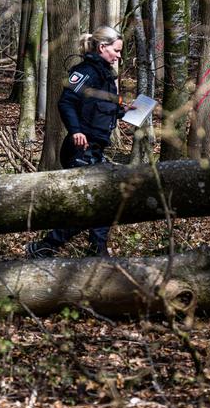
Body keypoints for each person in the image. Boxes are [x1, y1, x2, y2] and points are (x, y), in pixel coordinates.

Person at [26, 26, 131, 258]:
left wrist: (123, 109)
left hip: (95, 149)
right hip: (79, 149)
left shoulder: (106, 77)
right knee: (95, 204)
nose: (119, 55)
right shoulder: (85, 72)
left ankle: (96, 251)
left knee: (104, 202)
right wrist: (76, 131)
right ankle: (46, 246)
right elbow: (66, 102)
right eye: (116, 50)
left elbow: (103, 107)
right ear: (102, 48)